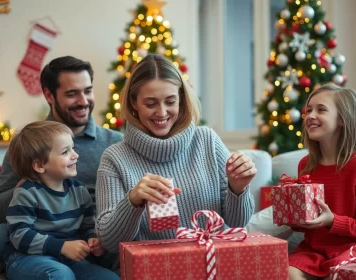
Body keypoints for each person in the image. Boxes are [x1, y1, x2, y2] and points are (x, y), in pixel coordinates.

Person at [95, 54, 257, 260]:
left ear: (181, 99)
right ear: (134, 103)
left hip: (214, 262)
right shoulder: (114, 158)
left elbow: (237, 223)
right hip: (153, 268)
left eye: (170, 101)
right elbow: (109, 242)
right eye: (150, 104)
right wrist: (133, 201)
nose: (161, 113)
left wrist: (238, 188)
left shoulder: (206, 140)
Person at [0, 56, 123, 260]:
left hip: (94, 239)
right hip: (43, 241)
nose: (83, 101)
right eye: (72, 94)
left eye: (88, 91)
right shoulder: (29, 144)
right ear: (49, 95)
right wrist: (32, 185)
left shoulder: (115, 142)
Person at [4, 121, 119, 280]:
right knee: (60, 275)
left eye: (73, 148)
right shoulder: (26, 193)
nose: (75, 155)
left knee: (109, 278)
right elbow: (19, 235)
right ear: (39, 165)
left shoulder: (79, 191)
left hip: (67, 260)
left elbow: (87, 227)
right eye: (65, 152)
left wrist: (92, 240)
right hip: (27, 258)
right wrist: (62, 247)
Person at [288, 84, 356, 280]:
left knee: (337, 275)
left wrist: (333, 221)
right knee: (286, 273)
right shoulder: (306, 165)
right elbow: (307, 224)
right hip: (314, 251)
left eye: (321, 110)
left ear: (343, 120)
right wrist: (294, 216)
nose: (310, 115)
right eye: (309, 110)